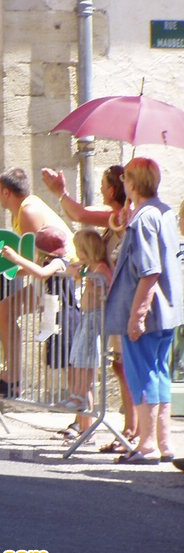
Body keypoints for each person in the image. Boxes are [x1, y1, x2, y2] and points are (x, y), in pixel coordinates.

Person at [41, 164, 137, 449]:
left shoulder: (120, 216)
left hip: (122, 302)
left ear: (112, 188)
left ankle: (132, 431)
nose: (100, 190)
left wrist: (60, 192)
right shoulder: (117, 218)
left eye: (104, 184)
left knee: (125, 367)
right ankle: (129, 429)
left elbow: (80, 214)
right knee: (121, 368)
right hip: (116, 302)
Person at [107, 157, 183, 465]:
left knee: (145, 376)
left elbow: (149, 270)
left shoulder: (143, 219)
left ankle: (148, 443)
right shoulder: (163, 213)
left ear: (133, 184)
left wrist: (136, 315)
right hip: (167, 310)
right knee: (159, 373)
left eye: (125, 179)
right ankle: (163, 443)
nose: (122, 184)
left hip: (148, 312)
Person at [0, 167, 76, 397]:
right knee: (5, 310)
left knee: (68, 348)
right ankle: (13, 378)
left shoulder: (28, 211)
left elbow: (35, 261)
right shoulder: (22, 210)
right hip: (52, 276)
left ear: (6, 192)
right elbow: (27, 264)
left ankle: (13, 379)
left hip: (62, 279)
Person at [63, 228, 113, 437]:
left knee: (86, 365)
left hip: (95, 318)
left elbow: (105, 287)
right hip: (87, 317)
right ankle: (82, 419)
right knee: (79, 361)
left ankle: (86, 423)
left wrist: (86, 278)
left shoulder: (100, 268)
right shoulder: (89, 267)